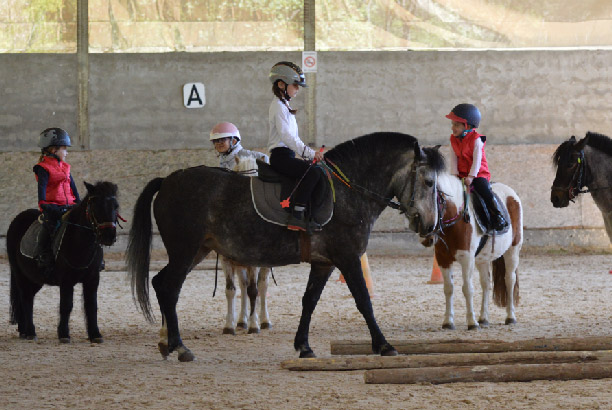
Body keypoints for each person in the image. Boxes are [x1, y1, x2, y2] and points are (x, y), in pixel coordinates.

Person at [267, 61, 324, 232]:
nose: (298, 89)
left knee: (316, 171)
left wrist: (307, 155)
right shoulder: (278, 106)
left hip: (288, 155)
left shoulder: (285, 106)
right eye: (295, 85)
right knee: (313, 173)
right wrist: (310, 153)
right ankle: (296, 216)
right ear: (281, 84)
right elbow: (287, 137)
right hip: (281, 157)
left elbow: (293, 138)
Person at [446, 103, 508, 231]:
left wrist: (471, 176)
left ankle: (498, 215)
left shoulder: (476, 140)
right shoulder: (453, 139)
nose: (453, 128)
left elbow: (477, 161)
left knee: (483, 189)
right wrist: (454, 176)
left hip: (478, 173)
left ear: (467, 126)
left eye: (456, 125)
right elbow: (453, 159)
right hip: (461, 174)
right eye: (452, 124)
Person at [33, 128, 80, 279]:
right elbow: (42, 190)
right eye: (64, 149)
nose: (66, 153)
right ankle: (43, 255)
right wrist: (44, 205)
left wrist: (79, 203)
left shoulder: (66, 168)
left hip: (69, 205)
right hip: (53, 206)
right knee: (49, 226)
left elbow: (73, 189)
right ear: (54, 150)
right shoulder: (43, 168)